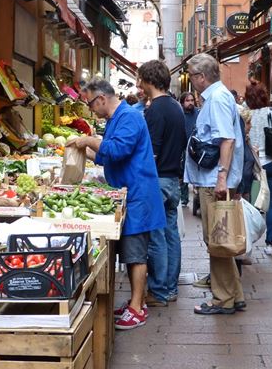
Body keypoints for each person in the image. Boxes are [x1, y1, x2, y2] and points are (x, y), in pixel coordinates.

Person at [66, 79, 166, 330]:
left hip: (138, 192)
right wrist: (79, 149)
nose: (90, 109)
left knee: (135, 254)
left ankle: (136, 309)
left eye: (90, 103)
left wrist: (88, 141)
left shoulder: (130, 117)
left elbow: (118, 149)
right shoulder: (116, 119)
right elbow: (106, 155)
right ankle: (136, 301)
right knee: (131, 252)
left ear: (101, 99)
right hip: (127, 191)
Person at [184, 54, 246, 315]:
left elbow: (227, 140)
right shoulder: (218, 97)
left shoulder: (218, 99)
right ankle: (235, 294)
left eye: (191, 76)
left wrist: (222, 176)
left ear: (201, 77)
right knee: (221, 238)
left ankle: (223, 299)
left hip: (214, 181)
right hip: (213, 179)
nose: (190, 81)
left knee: (217, 239)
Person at [137, 60, 187, 308]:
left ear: (148, 80)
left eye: (141, 80)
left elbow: (151, 152)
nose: (139, 84)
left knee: (157, 237)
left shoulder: (155, 110)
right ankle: (171, 288)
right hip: (172, 180)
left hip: (156, 179)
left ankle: (158, 291)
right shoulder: (176, 107)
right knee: (171, 234)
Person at [245, 84, 272, 255]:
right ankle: (270, 244)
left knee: (248, 204)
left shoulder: (245, 116)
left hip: (252, 164)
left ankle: (246, 243)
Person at [181, 92, 200, 208]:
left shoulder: (198, 113)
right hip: (183, 147)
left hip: (196, 147)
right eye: (188, 101)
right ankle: (184, 198)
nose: (190, 103)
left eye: (192, 100)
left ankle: (197, 198)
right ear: (183, 102)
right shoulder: (179, 114)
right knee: (184, 173)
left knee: (197, 172)